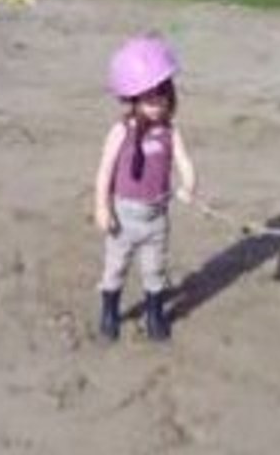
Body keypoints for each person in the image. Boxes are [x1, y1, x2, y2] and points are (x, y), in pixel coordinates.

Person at [94, 34, 197, 342]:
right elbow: (104, 172)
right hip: (124, 217)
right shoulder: (120, 131)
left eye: (161, 99)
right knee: (115, 268)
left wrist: (189, 185)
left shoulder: (170, 131)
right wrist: (102, 207)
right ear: (134, 99)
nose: (156, 106)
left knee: (155, 270)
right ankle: (110, 311)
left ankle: (154, 313)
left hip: (156, 217)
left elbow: (184, 161)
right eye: (148, 100)